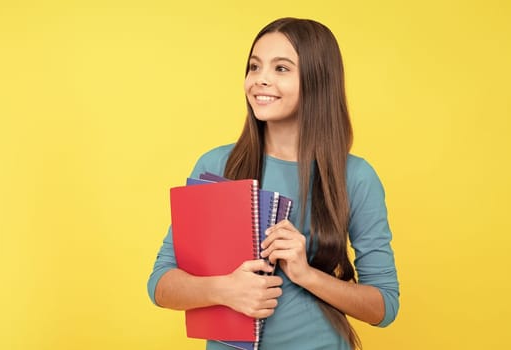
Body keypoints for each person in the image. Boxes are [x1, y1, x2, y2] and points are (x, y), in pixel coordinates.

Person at [147, 17, 400, 350]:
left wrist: (305, 273)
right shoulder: (217, 165)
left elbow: (384, 306)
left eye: (281, 69)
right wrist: (225, 290)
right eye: (254, 67)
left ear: (317, 80)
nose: (260, 80)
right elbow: (160, 284)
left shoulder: (355, 177)